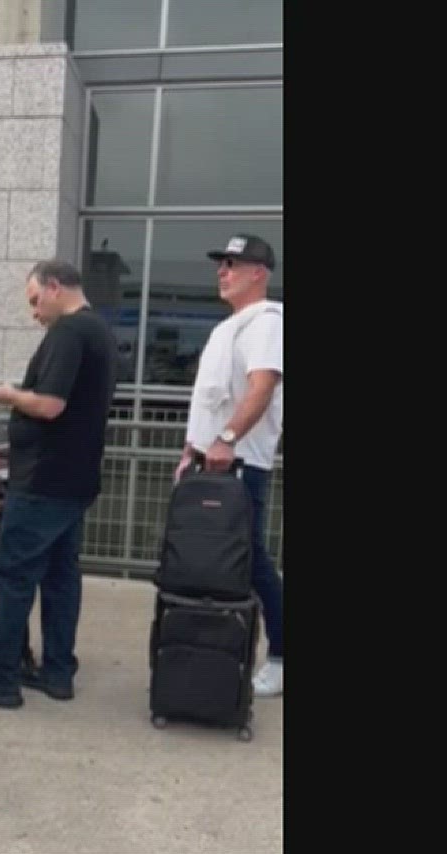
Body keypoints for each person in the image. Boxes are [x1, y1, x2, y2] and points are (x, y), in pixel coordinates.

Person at [0, 260, 115, 709]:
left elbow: (50, 405)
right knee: (61, 576)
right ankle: (58, 671)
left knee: (15, 575)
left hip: (44, 481)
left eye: (35, 300)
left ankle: (1, 678)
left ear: (55, 287)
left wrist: (8, 395)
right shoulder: (98, 330)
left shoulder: (68, 332)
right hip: (73, 477)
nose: (34, 312)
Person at [176, 233, 286, 697]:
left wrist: (225, 439)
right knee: (217, 563)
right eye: (220, 264)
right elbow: (209, 400)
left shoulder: (267, 320)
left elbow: (261, 386)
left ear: (258, 273)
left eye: (232, 264)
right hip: (212, 463)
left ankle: (280, 654)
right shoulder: (229, 327)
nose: (222, 271)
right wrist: (191, 449)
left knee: (250, 563)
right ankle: (217, 648)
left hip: (240, 464)